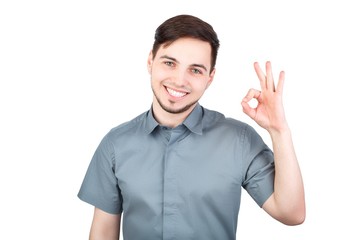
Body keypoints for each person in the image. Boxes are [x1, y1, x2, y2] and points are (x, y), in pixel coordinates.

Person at [78, 14, 306, 240]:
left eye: (195, 70)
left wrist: (279, 130)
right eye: (169, 63)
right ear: (150, 61)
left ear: (210, 78)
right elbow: (103, 234)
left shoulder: (239, 139)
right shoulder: (115, 144)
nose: (179, 80)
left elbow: (291, 214)